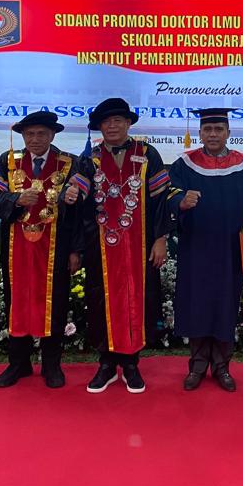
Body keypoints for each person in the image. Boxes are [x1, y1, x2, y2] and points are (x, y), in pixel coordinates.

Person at [167, 108, 243, 392]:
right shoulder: (184, 165)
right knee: (197, 304)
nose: (213, 134)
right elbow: (170, 195)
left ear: (228, 133)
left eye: (218, 129)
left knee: (225, 304)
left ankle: (222, 366)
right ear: (199, 133)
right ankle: (198, 365)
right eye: (208, 130)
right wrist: (181, 202)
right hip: (195, 247)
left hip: (230, 249)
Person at [75, 98, 171, 393]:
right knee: (101, 300)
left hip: (139, 245)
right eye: (106, 122)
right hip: (101, 246)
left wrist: (160, 239)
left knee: (136, 300)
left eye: (118, 120)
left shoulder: (147, 154)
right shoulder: (89, 158)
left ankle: (131, 364)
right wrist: (71, 194)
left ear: (128, 123)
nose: (112, 126)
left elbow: (161, 200)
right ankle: (106, 364)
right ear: (99, 127)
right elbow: (79, 199)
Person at [0, 111, 82, 389]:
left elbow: (80, 212)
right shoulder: (9, 161)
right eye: (30, 134)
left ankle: (51, 364)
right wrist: (17, 200)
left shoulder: (69, 163)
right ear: (23, 136)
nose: (35, 139)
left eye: (41, 134)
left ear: (52, 135)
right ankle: (19, 363)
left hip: (56, 247)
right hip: (17, 248)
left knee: (55, 303)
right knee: (17, 303)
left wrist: (76, 251)